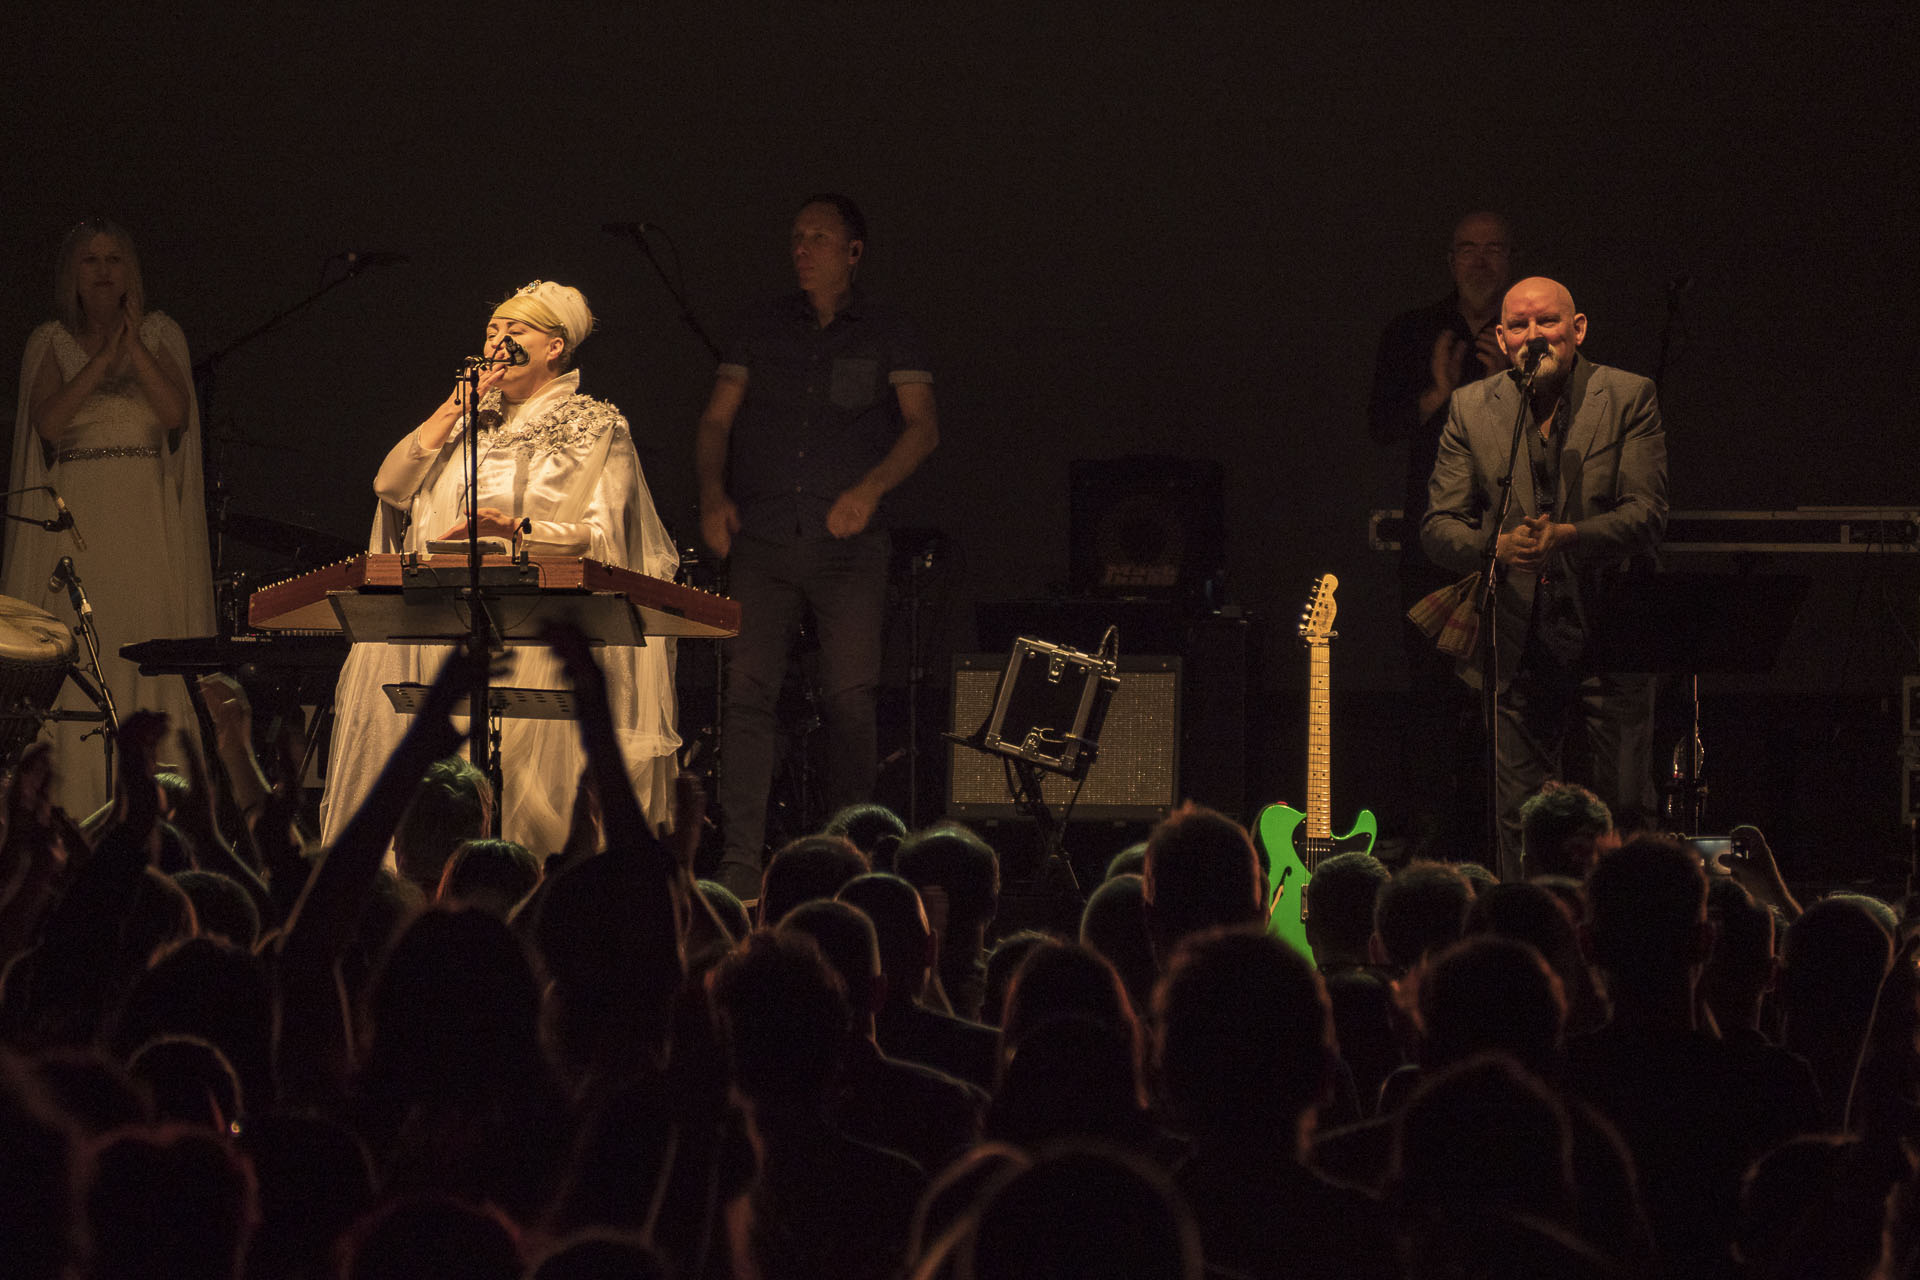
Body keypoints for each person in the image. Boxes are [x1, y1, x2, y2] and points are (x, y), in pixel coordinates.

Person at [319, 281, 679, 853]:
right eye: (491, 331)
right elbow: (390, 485)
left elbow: (604, 539)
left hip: (537, 630)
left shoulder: (598, 427)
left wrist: (521, 532)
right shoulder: (465, 421)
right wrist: (452, 408)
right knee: (449, 791)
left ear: (555, 347)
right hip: (451, 621)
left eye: (516, 330)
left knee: (533, 807)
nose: (498, 341)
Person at [696, 193, 939, 901]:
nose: (802, 248)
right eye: (796, 236)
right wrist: (713, 495)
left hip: (849, 546)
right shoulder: (761, 327)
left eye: (819, 237)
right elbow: (715, 422)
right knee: (746, 694)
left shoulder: (888, 329)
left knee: (850, 699)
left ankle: (847, 856)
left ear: (853, 252)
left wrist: (868, 490)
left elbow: (922, 426)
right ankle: (741, 860)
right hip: (764, 538)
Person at [1420, 276, 1666, 881]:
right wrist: (1494, 547)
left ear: (1577, 329)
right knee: (1518, 813)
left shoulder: (1629, 395)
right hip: (1517, 634)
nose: (1535, 336)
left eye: (1548, 322)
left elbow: (1647, 514)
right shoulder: (1472, 407)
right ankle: (1523, 933)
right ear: (1502, 339)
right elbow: (1437, 524)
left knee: (1625, 807)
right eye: (1521, 326)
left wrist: (1569, 538)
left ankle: (1627, 938)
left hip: (1610, 629)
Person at [3, 218, 214, 814]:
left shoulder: (162, 332)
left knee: (139, 636)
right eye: (90, 260)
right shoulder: (50, 341)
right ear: (72, 273)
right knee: (83, 635)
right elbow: (48, 423)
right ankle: (74, 806)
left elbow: (175, 412)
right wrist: (102, 359)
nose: (102, 271)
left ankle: (152, 803)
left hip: (143, 520)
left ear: (131, 272)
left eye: (114, 259)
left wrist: (133, 344)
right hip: (80, 518)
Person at [1368, 212, 1513, 861]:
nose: (1479, 262)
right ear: (1450, 259)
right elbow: (1380, 425)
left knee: (1508, 688)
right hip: (1435, 542)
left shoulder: (1531, 329)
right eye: (1467, 250)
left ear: (1507, 261)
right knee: (1431, 687)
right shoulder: (1412, 332)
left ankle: (1501, 831)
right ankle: (1431, 835)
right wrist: (1440, 393)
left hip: (1511, 540)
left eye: (1492, 250)